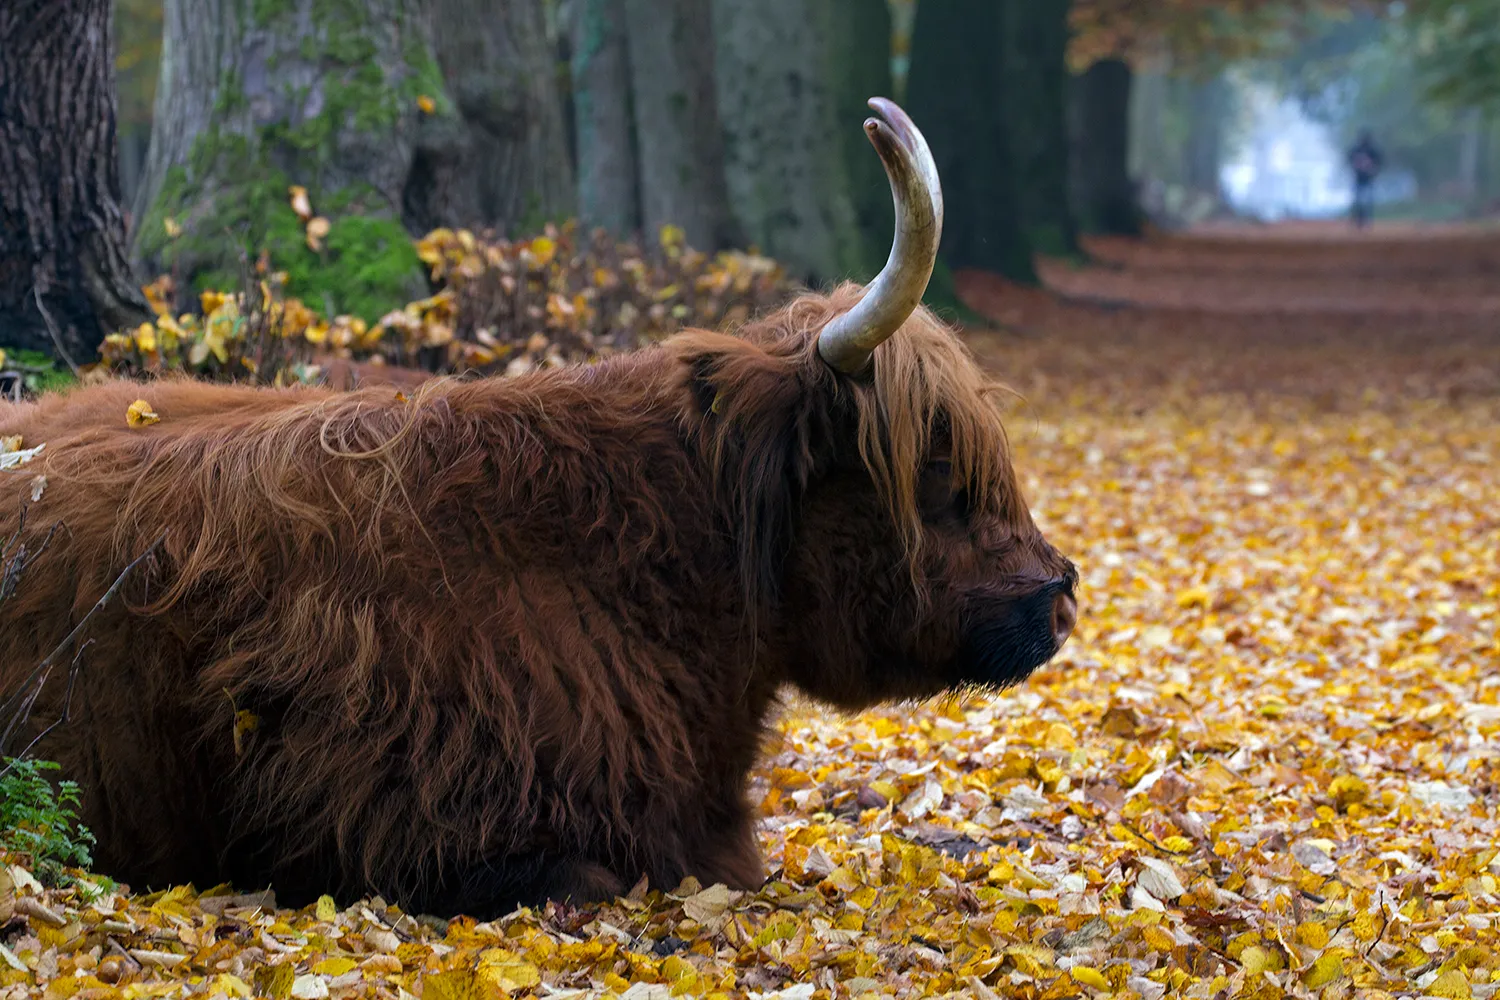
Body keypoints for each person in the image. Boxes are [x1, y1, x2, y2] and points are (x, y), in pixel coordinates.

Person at [1347, 130, 1383, 229]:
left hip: (1368, 180)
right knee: (1358, 202)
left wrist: (1373, 170)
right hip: (1358, 179)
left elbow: (1379, 162)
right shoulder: (1356, 149)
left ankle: (1366, 221)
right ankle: (1358, 221)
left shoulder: (1372, 151)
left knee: (1367, 202)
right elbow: (1350, 160)